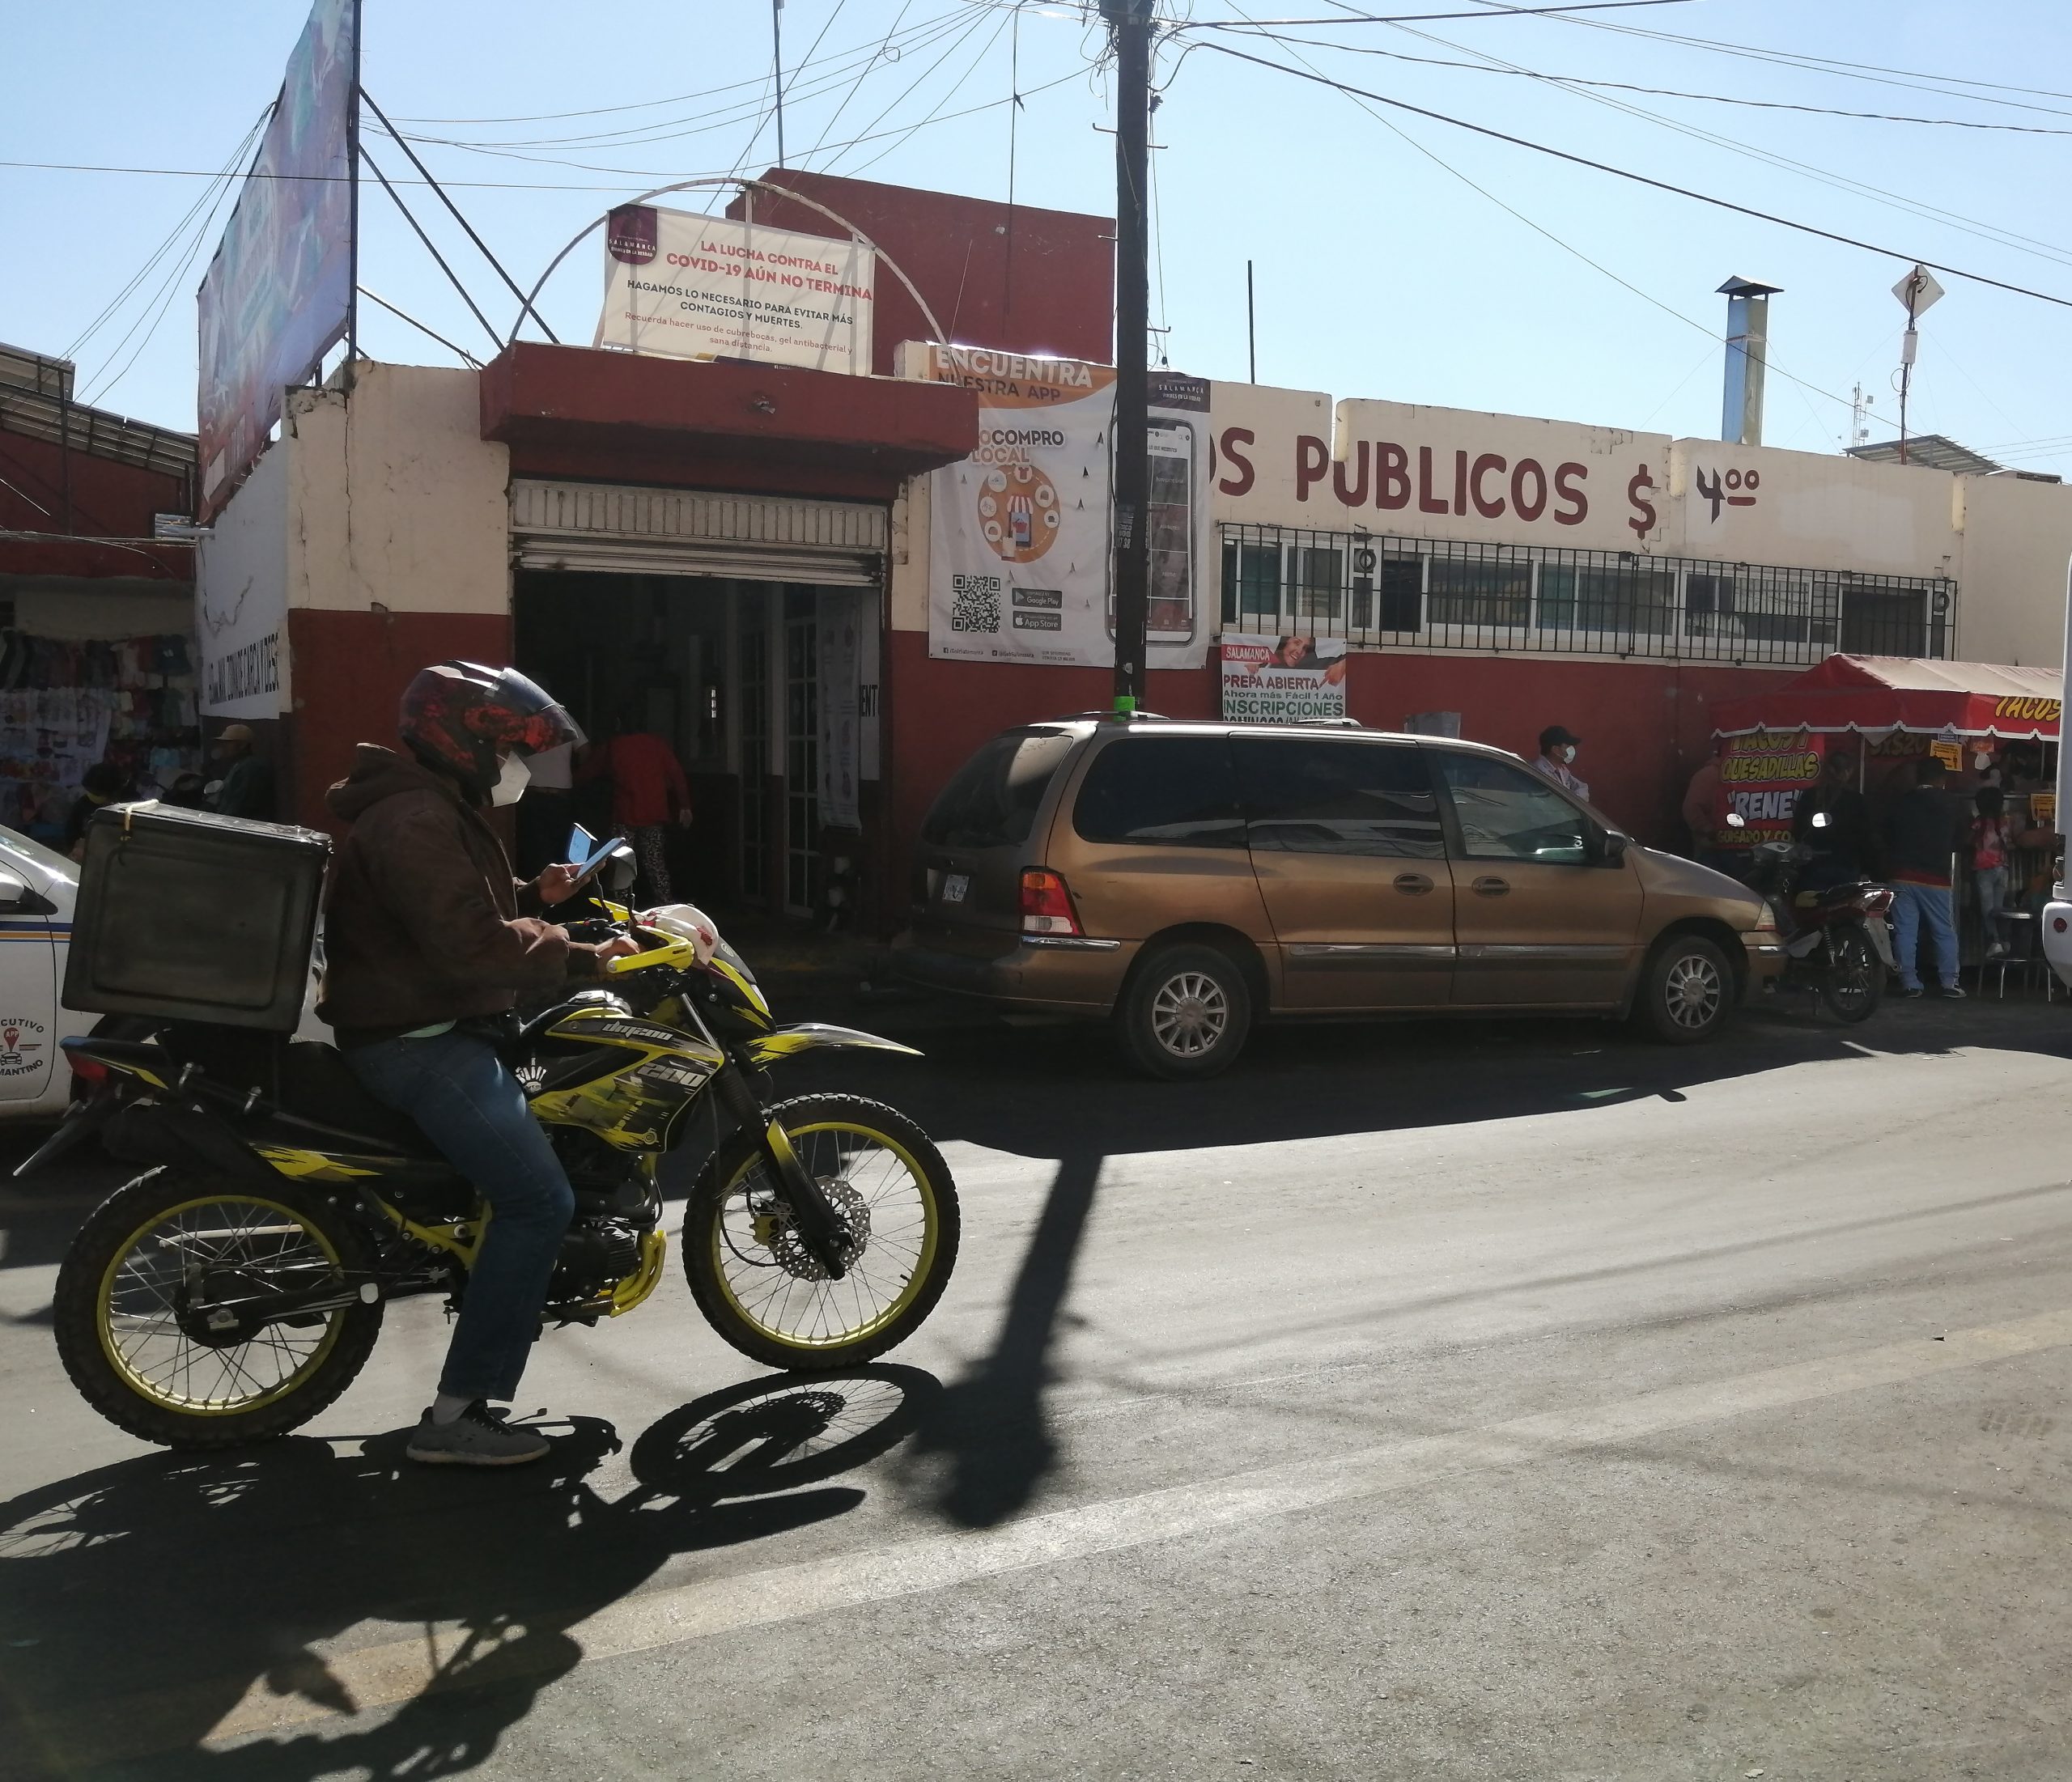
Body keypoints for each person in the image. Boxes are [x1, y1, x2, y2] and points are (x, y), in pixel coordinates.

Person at [318, 661, 640, 1466]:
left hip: (429, 1019)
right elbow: (468, 943)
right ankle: (458, 1416)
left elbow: (457, 913)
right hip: (417, 1040)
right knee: (538, 1199)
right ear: (461, 744)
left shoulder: (428, 809)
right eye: (509, 751)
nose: (519, 769)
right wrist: (584, 957)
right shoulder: (415, 819)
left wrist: (538, 895)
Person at [580, 709, 693, 904]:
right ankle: (665, 903)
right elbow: (677, 775)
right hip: (654, 812)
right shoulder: (658, 744)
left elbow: (588, 773)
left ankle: (621, 907)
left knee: (621, 864)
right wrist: (685, 805)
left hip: (625, 814)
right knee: (655, 862)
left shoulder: (613, 746)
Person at [1881, 757, 1967, 999]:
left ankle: (1909, 982)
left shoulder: (1900, 802)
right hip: (1936, 876)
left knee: (1905, 931)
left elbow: (1886, 834)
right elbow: (1963, 838)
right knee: (1944, 930)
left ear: (1918, 777)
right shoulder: (1953, 803)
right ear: (1942, 779)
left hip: (1901, 874)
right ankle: (1949, 982)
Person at [1791, 745, 1878, 891]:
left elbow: (1797, 830)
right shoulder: (1856, 801)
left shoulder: (1809, 796)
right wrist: (1867, 869)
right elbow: (1866, 838)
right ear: (1848, 772)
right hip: (1846, 866)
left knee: (1812, 909)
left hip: (1812, 865)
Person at [1971, 785, 2017, 959]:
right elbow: (2011, 844)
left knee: (1987, 909)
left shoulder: (1978, 823)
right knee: (1999, 908)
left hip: (1983, 869)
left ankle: (1995, 941)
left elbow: (1969, 842)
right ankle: (2005, 941)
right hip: (2003, 869)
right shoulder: (2005, 822)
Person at [211, 723, 275, 821]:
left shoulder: (251, 767)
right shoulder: (239, 765)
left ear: (243, 745)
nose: (224, 747)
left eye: (229, 743)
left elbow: (241, 804)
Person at [62, 762, 126, 860]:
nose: (92, 794)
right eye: (90, 791)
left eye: (96, 793)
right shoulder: (82, 805)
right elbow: (70, 836)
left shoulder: (125, 810)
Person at [1681, 742, 1724, 863]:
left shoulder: (1745, 776)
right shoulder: (1707, 775)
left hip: (1742, 848)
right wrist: (1708, 830)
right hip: (1712, 850)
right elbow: (1690, 808)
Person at [1531, 725, 1589, 801]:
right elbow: (1558, 801)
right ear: (1556, 750)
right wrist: (1574, 800)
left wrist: (1573, 799)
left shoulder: (1562, 769)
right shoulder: (1541, 771)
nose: (1571, 750)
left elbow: (1583, 787)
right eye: (1567, 746)